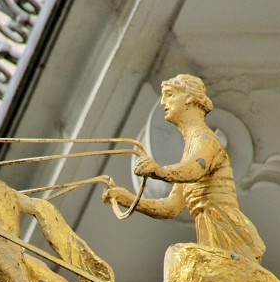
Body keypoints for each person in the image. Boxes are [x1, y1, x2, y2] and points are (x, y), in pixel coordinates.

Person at [103, 74, 265, 263]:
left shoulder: (204, 139)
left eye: (170, 95)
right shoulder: (190, 147)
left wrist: (160, 171)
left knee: (179, 259)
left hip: (227, 231)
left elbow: (195, 168)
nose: (163, 103)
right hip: (211, 230)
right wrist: (126, 198)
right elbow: (171, 207)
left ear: (189, 97)